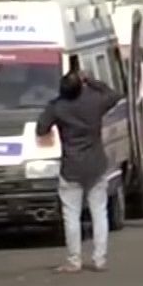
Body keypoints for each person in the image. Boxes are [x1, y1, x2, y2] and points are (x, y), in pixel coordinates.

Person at [35, 65, 123, 272]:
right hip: (96, 163)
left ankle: (74, 259)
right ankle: (99, 258)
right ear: (81, 86)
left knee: (71, 214)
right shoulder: (95, 101)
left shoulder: (57, 107)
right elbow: (115, 94)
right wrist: (91, 80)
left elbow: (41, 128)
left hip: (71, 165)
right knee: (99, 212)